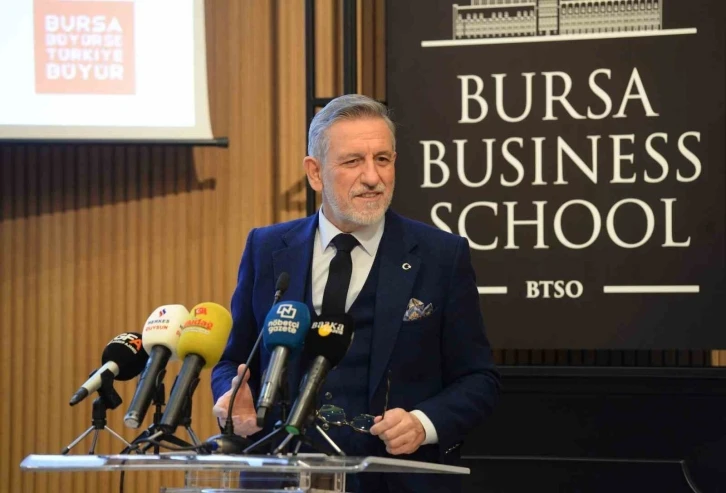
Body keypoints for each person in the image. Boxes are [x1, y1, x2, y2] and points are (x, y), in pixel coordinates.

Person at [211, 94, 501, 492]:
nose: (372, 177)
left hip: (395, 479)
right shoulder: (267, 248)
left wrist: (423, 423)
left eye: (382, 159)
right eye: (352, 161)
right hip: (280, 476)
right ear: (315, 173)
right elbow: (233, 361)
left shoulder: (440, 255)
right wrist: (232, 396)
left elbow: (479, 379)